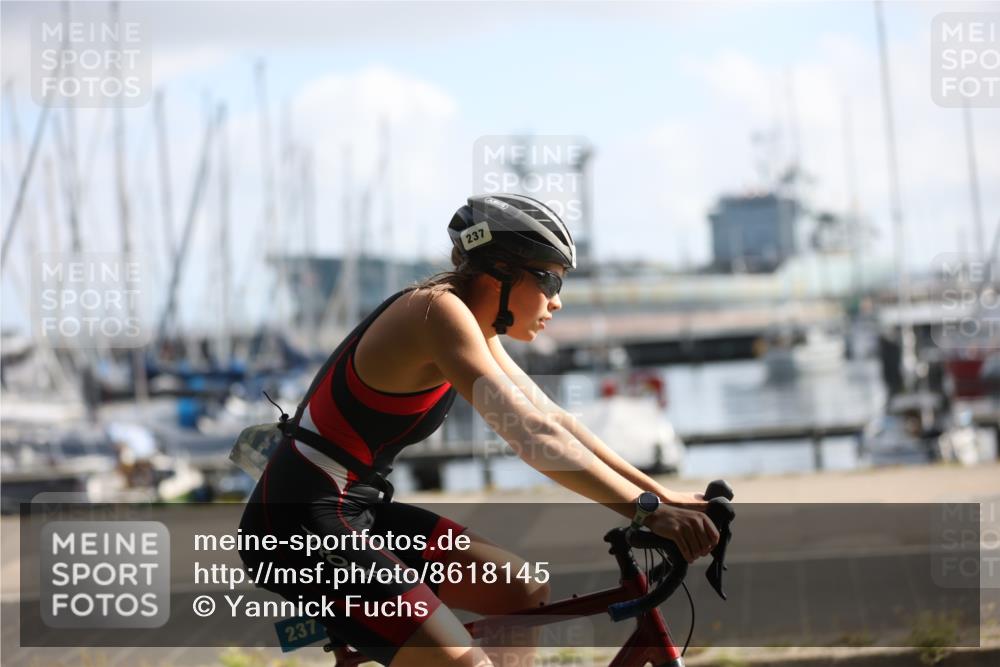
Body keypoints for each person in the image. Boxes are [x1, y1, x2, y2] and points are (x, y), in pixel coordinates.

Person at [238, 194, 719, 667]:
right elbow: (532, 437)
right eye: (550, 279)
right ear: (501, 273)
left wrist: (662, 496)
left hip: (352, 505)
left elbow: (554, 420)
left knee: (521, 588)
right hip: (296, 523)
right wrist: (645, 514)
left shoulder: (471, 325)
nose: (557, 301)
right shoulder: (436, 313)